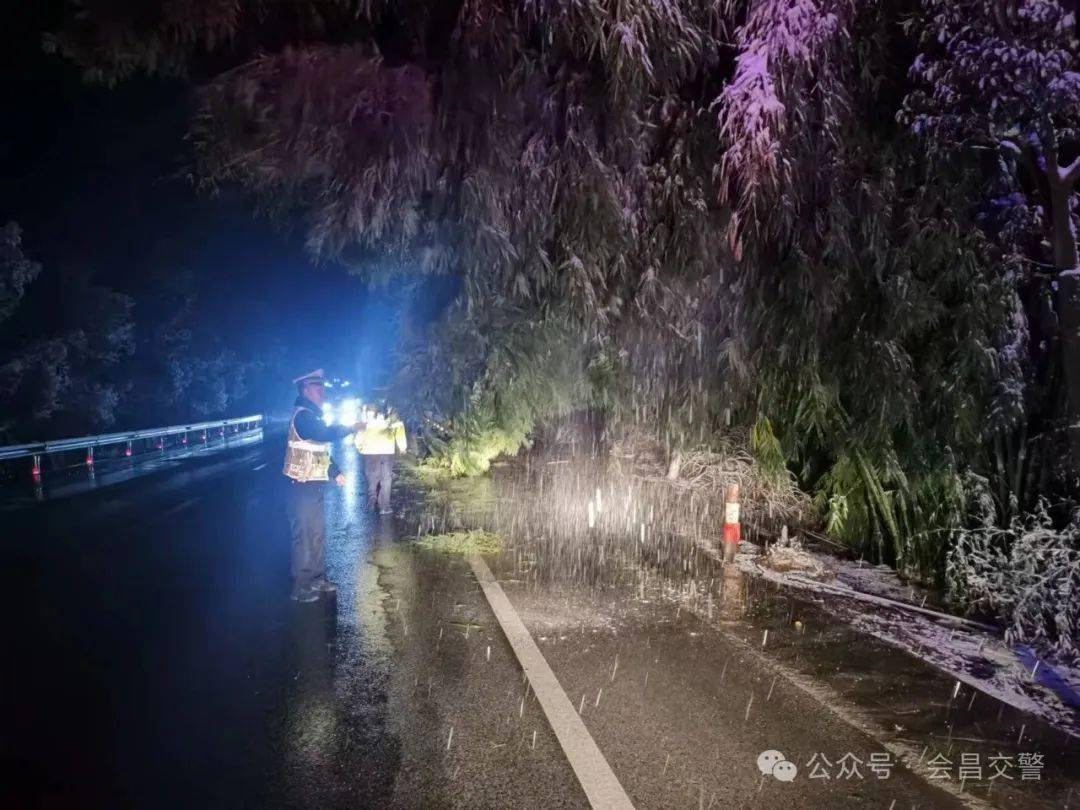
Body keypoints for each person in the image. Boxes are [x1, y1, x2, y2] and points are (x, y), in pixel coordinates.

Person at [282, 369, 363, 602]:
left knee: (317, 535)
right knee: (305, 536)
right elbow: (324, 434)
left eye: (323, 387)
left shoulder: (313, 415)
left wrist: (335, 471)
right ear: (305, 390)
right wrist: (351, 427)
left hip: (313, 485)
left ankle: (316, 580)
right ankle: (301, 587)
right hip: (301, 486)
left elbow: (320, 450)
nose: (323, 392)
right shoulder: (303, 416)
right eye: (318, 388)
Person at [355, 404, 407, 515]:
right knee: (386, 478)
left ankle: (372, 499)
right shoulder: (390, 421)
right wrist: (402, 447)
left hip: (369, 452)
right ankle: (384, 506)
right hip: (386, 451)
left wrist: (361, 448)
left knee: (372, 476)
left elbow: (359, 437)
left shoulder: (365, 422)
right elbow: (399, 429)